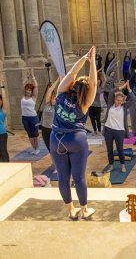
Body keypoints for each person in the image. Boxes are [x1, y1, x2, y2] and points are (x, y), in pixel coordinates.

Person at [50, 46, 97, 220]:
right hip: (76, 140)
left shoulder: (61, 93)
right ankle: (84, 210)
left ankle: (70, 210)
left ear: (73, 85)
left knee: (63, 177)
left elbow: (71, 73)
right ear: (85, 92)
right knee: (79, 178)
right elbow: (93, 83)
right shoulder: (84, 103)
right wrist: (92, 61)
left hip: (56, 140)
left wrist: (84, 58)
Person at [102, 81, 133, 173]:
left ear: (123, 101)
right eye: (117, 100)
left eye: (121, 100)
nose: (119, 102)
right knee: (109, 149)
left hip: (119, 131)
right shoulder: (110, 105)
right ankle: (111, 165)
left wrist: (128, 89)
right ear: (114, 100)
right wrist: (121, 87)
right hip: (108, 129)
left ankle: (122, 165)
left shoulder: (124, 107)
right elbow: (111, 92)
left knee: (120, 149)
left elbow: (133, 99)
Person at [41, 78, 60, 173]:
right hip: (45, 129)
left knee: (54, 149)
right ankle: (55, 163)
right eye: (52, 98)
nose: (53, 99)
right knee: (49, 149)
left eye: (55, 98)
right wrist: (57, 80)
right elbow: (49, 91)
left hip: (54, 130)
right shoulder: (47, 105)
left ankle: (58, 166)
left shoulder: (59, 108)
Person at [21, 70, 40, 154]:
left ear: (32, 91)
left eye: (29, 90)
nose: (28, 91)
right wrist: (27, 77)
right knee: (30, 134)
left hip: (33, 118)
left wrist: (33, 77)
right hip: (25, 118)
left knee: (35, 134)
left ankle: (38, 148)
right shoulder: (23, 96)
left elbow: (36, 86)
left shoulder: (34, 97)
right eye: (27, 90)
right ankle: (34, 148)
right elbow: (23, 85)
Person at [88, 71, 105, 136]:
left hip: (98, 106)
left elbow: (105, 80)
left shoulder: (101, 87)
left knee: (98, 119)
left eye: (98, 80)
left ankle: (99, 131)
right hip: (91, 105)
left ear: (100, 81)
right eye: (96, 80)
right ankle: (95, 131)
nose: (98, 81)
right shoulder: (91, 87)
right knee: (92, 119)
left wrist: (102, 70)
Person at [0, 80, 9, 162]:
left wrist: (2, 86)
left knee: (3, 151)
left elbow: (4, 98)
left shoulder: (3, 110)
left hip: (2, 134)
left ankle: (7, 166)